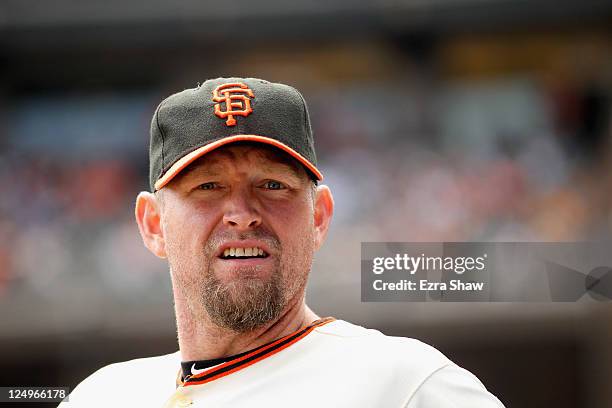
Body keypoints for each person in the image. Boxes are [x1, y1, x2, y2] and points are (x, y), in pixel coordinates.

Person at [60, 77, 505, 407]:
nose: (242, 213)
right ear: (153, 224)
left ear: (319, 217)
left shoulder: (408, 386)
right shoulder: (100, 397)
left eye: (272, 185)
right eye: (208, 187)